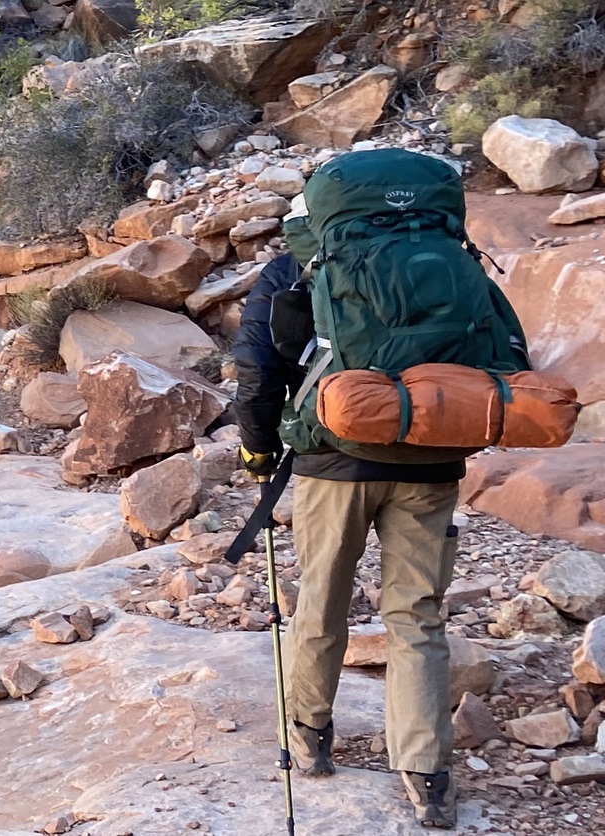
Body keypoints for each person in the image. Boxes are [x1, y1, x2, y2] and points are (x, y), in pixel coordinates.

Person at [234, 189, 470, 829]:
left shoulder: (298, 265)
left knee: (320, 599)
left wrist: (258, 448)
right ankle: (426, 775)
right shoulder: (446, 253)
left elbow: (257, 365)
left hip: (333, 460)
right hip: (431, 456)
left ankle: (308, 737)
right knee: (417, 614)